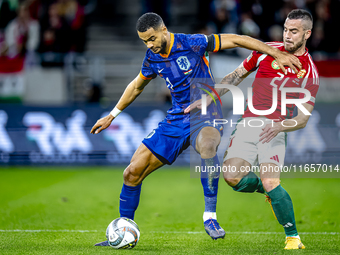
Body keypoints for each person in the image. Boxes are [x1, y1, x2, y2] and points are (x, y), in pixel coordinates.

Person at [90, 12, 301, 246]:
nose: (149, 45)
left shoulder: (193, 43)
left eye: (151, 39)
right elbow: (137, 86)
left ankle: (210, 217)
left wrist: (275, 53)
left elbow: (239, 39)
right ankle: (123, 231)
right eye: (144, 41)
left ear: (163, 30)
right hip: (177, 117)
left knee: (208, 146)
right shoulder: (152, 57)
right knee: (131, 173)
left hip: (206, 111)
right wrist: (112, 115)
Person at [186, 9, 318, 250]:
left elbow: (302, 118)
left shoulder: (309, 71)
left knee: (270, 180)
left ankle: (293, 236)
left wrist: (280, 126)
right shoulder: (266, 50)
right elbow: (236, 75)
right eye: (286, 29)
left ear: (307, 34)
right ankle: (268, 192)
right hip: (247, 123)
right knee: (232, 178)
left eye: (294, 31)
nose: (288, 35)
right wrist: (209, 97)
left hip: (275, 129)